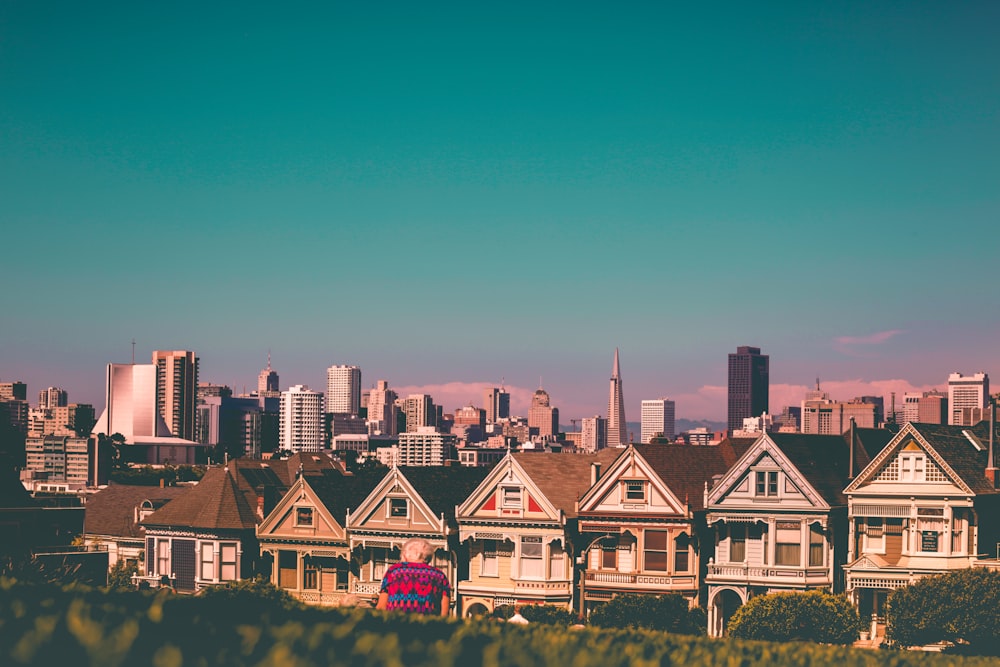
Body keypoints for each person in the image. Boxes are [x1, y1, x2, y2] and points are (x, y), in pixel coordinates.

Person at [376, 537, 450, 616]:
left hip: (396, 624)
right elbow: (444, 613)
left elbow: (381, 607)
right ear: (428, 557)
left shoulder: (394, 571)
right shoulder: (439, 576)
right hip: (427, 625)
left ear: (404, 555)